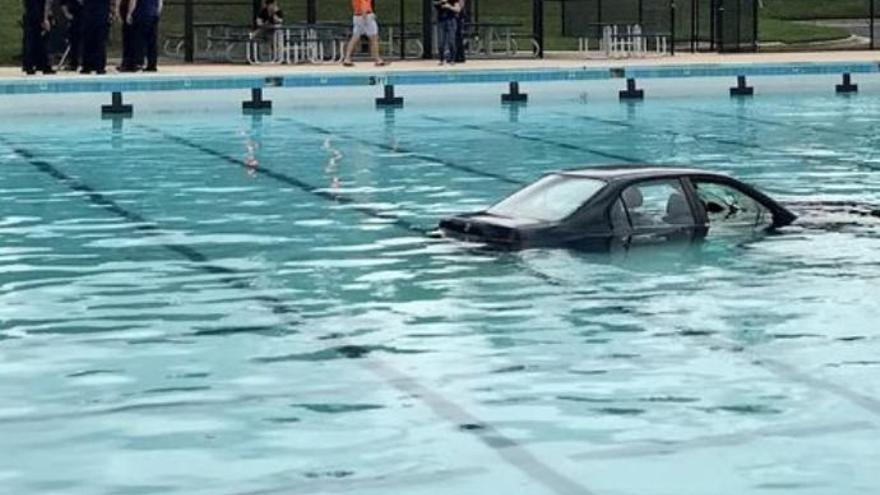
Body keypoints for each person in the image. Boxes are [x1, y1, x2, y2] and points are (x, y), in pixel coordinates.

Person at [342, 0, 386, 67]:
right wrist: (365, 16)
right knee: (374, 38)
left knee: (355, 37)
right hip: (365, 15)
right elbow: (363, 4)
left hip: (357, 16)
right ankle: (377, 59)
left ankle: (347, 58)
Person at [21, 0, 56, 75]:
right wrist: (44, 20)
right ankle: (36, 65)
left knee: (33, 41)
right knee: (36, 42)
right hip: (35, 15)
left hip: (31, 15)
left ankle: (33, 65)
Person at [127, 0, 162, 71]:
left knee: (139, 40)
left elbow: (133, 1)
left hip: (141, 13)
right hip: (153, 14)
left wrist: (129, 13)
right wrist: (157, 13)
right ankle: (152, 65)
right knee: (152, 42)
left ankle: (138, 63)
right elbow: (160, 2)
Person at [80, 0, 111, 73]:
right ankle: (98, 66)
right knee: (98, 42)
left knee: (90, 41)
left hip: (90, 14)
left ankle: (88, 66)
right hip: (99, 15)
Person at [436, 0, 462, 65]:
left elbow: (458, 9)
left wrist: (449, 7)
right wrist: (441, 2)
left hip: (451, 21)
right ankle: (441, 59)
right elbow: (436, 5)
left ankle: (452, 59)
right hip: (441, 21)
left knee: (451, 41)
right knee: (441, 42)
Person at [60, 0, 83, 71]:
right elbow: (62, 3)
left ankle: (89, 62)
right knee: (74, 41)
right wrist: (67, 14)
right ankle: (73, 63)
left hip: (86, 15)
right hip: (74, 16)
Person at [115, 0, 136, 71]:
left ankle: (129, 63)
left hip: (127, 11)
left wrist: (129, 13)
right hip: (125, 10)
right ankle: (128, 62)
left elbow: (133, 1)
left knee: (129, 39)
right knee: (128, 39)